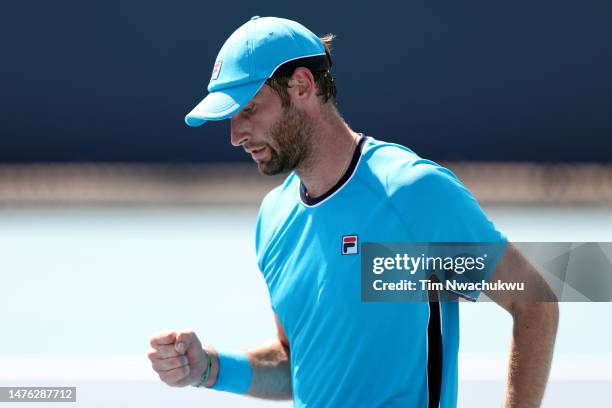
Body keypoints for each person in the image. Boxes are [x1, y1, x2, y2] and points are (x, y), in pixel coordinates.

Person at [148, 16, 558, 407]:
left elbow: (534, 302)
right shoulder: (273, 218)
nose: (236, 135)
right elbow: (298, 365)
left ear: (302, 86)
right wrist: (210, 369)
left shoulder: (413, 194)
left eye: (249, 109)